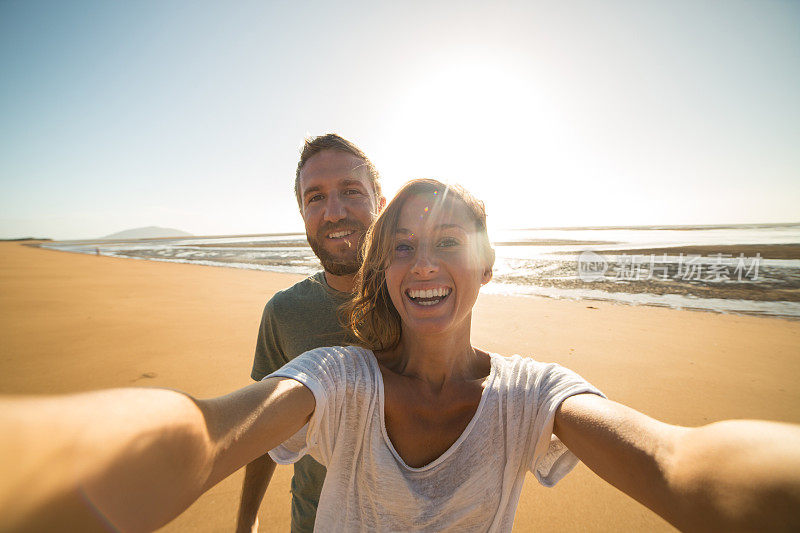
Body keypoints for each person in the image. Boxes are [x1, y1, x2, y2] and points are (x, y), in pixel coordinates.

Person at [2, 179, 800, 532]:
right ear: (384, 271)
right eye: (406, 246)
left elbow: (674, 459)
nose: (424, 263)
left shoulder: (531, 393)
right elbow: (206, 434)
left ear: (488, 264)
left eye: (448, 242)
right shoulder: (340, 377)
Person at [237, 134, 385, 533]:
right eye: (315, 197)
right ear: (302, 212)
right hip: (314, 519)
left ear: (381, 205)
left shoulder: (419, 301)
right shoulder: (284, 313)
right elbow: (264, 424)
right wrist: (247, 518)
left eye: (351, 191)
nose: (333, 212)